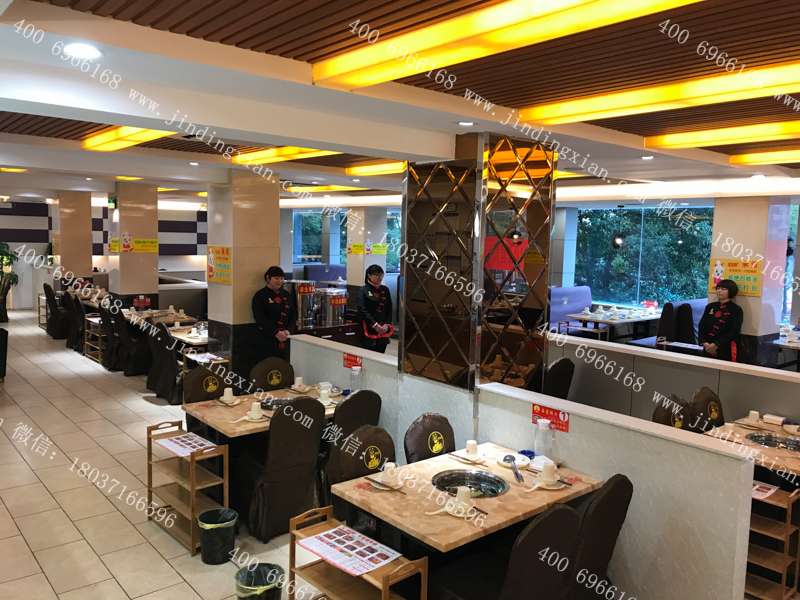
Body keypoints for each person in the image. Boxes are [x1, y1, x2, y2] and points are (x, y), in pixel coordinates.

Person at [252, 266, 296, 360]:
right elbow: (260, 318)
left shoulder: (286, 294)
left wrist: (288, 331)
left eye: (282, 278)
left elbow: (293, 315)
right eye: (276, 278)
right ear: (268, 278)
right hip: (267, 339)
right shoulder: (260, 295)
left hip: (286, 337)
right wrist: (276, 333)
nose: (279, 281)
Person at [699, 279, 743, 362]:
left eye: (723, 289)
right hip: (707, 346)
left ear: (731, 291)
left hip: (725, 347)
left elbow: (734, 331)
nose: (719, 291)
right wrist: (704, 342)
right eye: (718, 288)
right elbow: (701, 325)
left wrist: (716, 344)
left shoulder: (736, 309)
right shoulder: (710, 306)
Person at [357, 264, 393, 353]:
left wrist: (387, 324)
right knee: (368, 354)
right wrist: (375, 325)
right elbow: (362, 309)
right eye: (376, 275)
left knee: (381, 353)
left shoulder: (385, 289)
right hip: (369, 327)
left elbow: (389, 308)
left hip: (383, 328)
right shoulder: (363, 290)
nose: (379, 277)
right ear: (369, 275)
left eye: (381, 275)